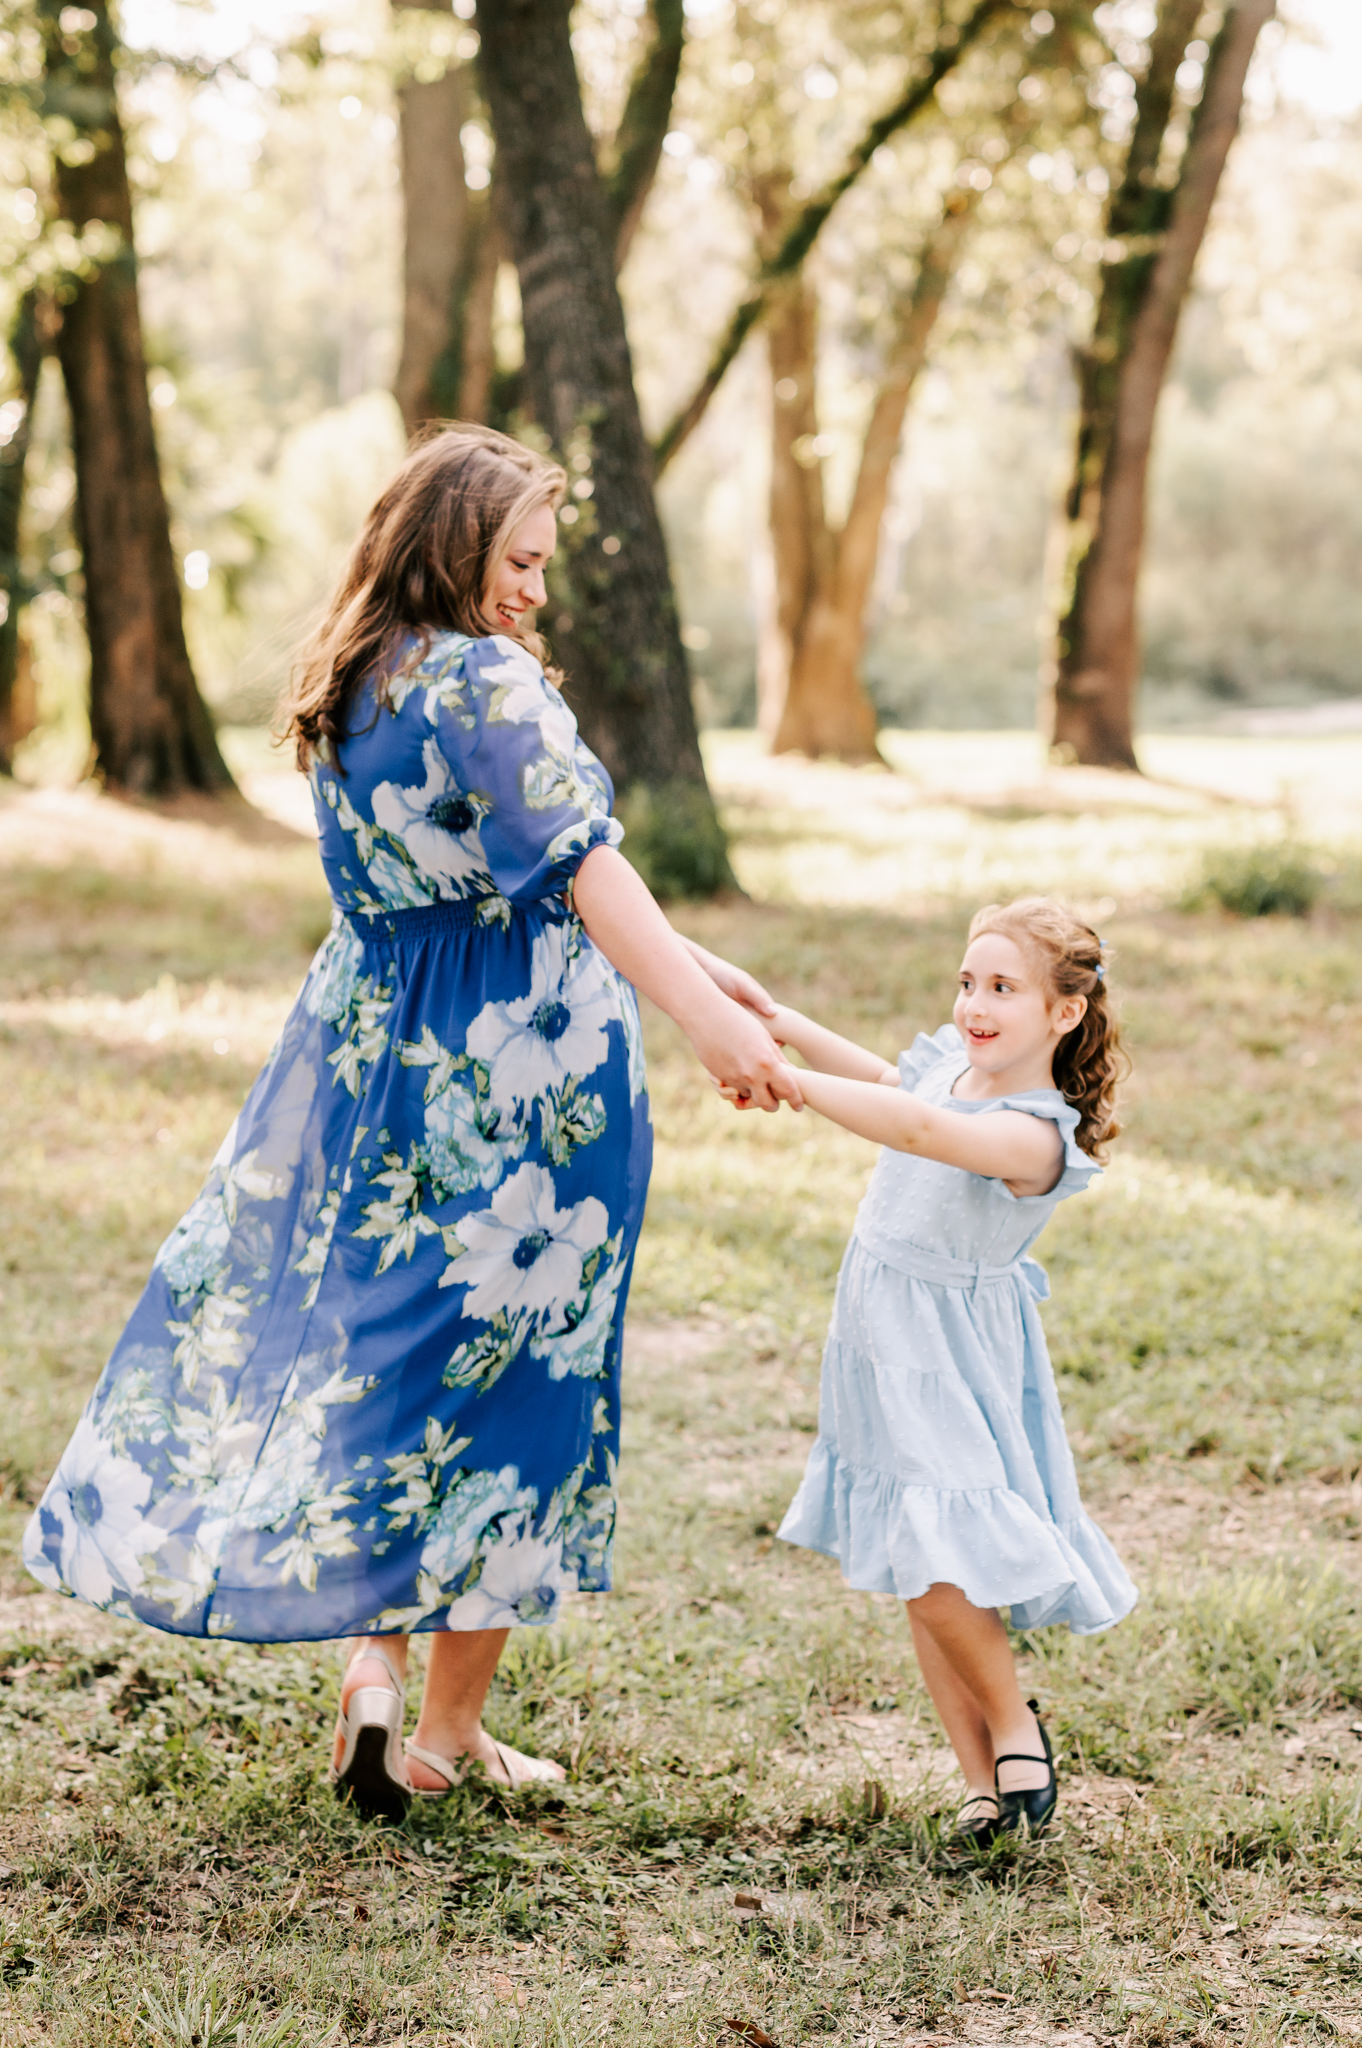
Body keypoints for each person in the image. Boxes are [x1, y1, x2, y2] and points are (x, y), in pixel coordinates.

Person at [24, 424, 798, 1820]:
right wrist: (703, 1017)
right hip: (522, 1075)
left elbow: (512, 871)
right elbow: (584, 870)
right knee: (512, 1374)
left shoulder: (355, 679)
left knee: (377, 1355)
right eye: (519, 560)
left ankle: (369, 1675)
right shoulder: (486, 680)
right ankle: (442, 1735)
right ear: (455, 545)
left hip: (371, 1059)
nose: (534, 593)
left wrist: (704, 968)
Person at [729, 898, 1136, 1843]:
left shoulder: (1039, 1133)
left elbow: (913, 1129)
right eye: (966, 983)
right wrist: (765, 1015)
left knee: (936, 1556)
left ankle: (1012, 1723)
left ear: (1062, 1013)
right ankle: (982, 1784)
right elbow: (884, 1077)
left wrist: (779, 1077)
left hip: (947, 1357)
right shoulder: (953, 1074)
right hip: (879, 1337)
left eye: (1002, 988)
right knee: (921, 1561)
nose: (974, 1004)